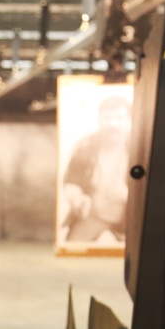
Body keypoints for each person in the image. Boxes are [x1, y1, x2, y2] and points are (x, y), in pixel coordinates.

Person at [60, 94, 132, 243]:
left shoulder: (141, 147)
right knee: (73, 247)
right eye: (107, 118)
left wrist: (129, 195)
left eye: (119, 118)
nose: (113, 124)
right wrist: (78, 198)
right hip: (93, 215)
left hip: (131, 216)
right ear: (99, 120)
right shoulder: (85, 146)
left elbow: (156, 188)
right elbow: (71, 181)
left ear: (128, 120)